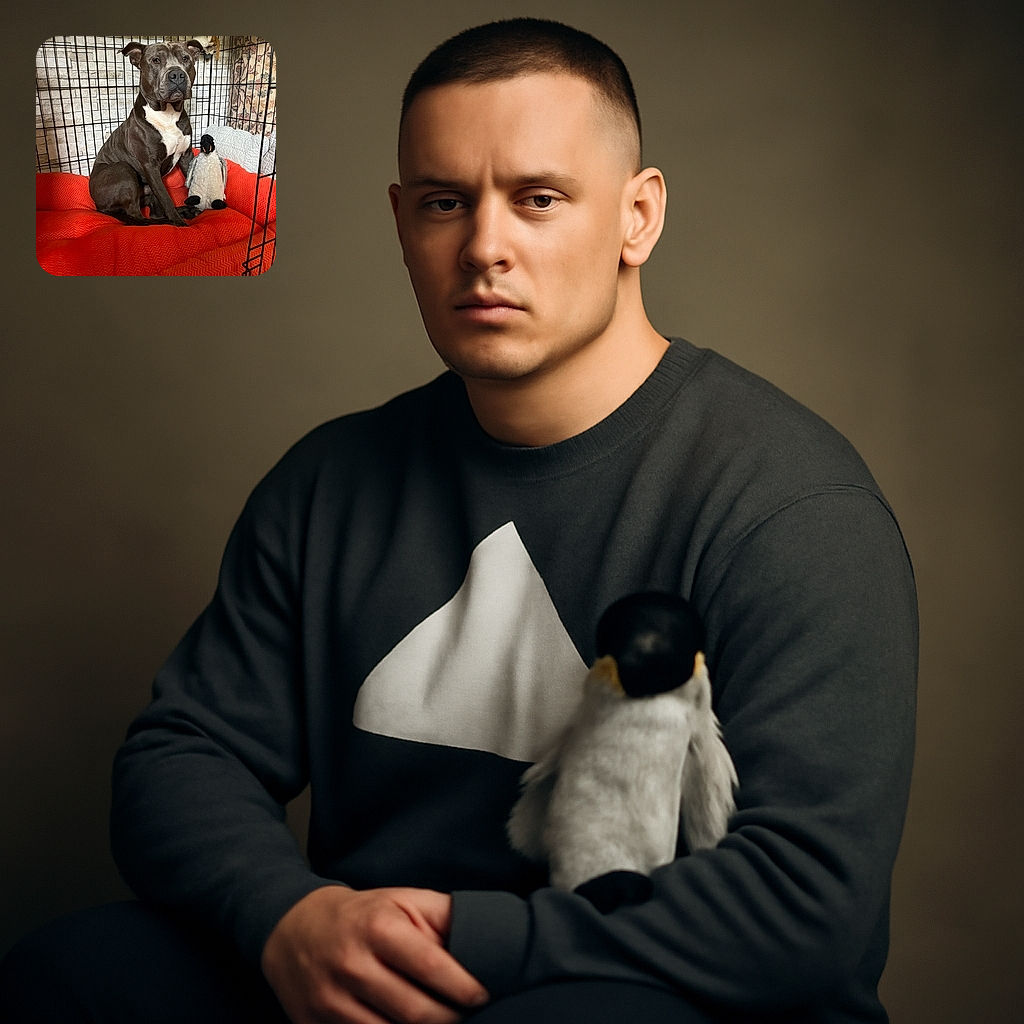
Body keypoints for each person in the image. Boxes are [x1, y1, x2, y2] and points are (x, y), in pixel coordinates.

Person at [0, 18, 917, 1024]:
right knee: (82, 969)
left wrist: (463, 939)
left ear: (636, 217)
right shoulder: (330, 482)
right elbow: (183, 753)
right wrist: (288, 917)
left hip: (642, 991)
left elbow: (806, 902)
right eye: (444, 203)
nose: (484, 247)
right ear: (402, 222)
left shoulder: (791, 505)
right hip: (366, 979)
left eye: (537, 199)